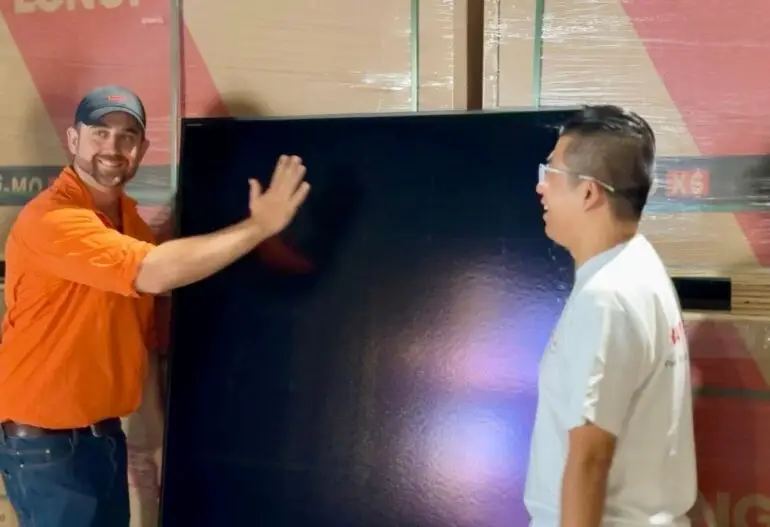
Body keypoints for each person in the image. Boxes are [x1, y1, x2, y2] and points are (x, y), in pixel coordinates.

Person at [0, 85, 310, 527]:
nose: (113, 147)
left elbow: (138, 339)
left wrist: (156, 433)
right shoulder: (53, 219)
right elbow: (154, 271)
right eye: (100, 133)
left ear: (142, 149)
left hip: (102, 436)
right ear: (73, 141)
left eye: (127, 136)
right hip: (46, 447)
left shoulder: (132, 226)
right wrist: (259, 227)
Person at [525, 105, 696, 527]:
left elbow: (589, 458)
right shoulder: (639, 265)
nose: (540, 188)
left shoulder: (607, 298)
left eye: (552, 171)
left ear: (588, 193)